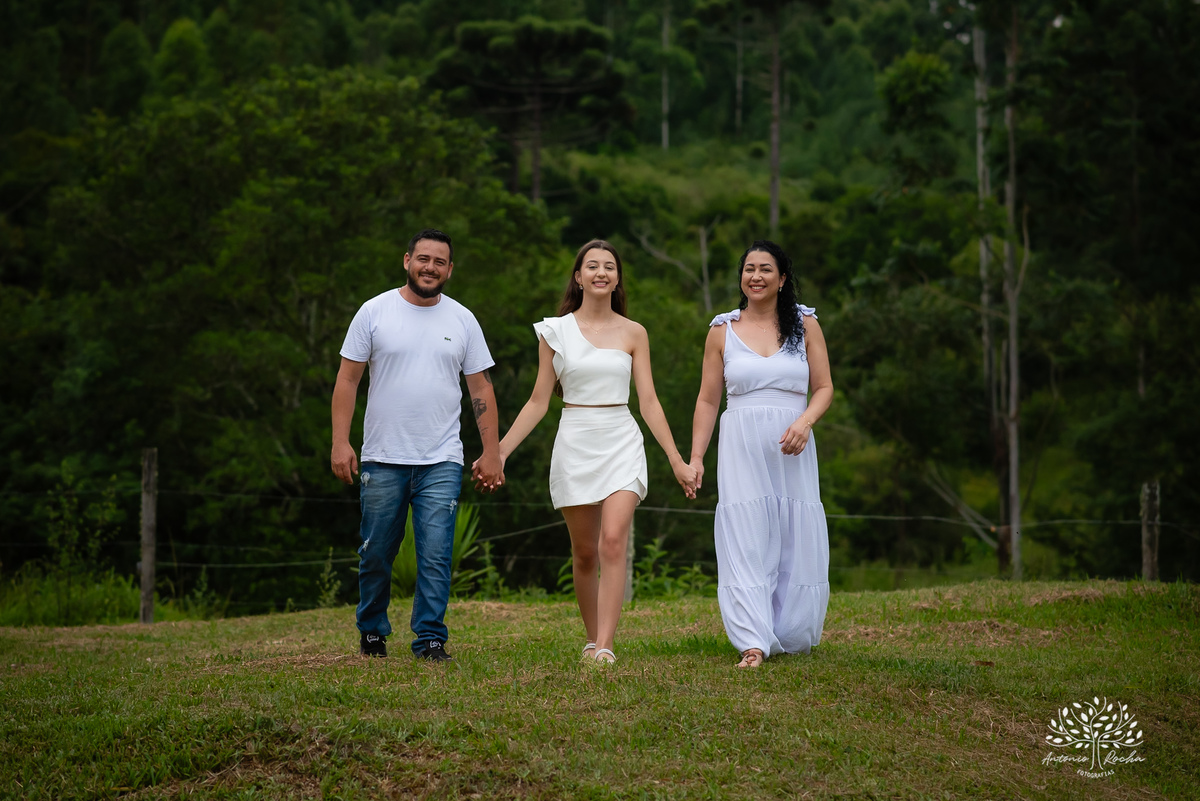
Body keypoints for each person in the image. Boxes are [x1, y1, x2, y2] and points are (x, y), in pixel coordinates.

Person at [480, 240, 696, 664]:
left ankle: (605, 646)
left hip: (621, 439)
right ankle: (592, 637)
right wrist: (499, 452)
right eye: (592, 266)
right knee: (584, 553)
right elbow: (538, 401)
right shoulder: (554, 331)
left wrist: (676, 459)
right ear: (578, 277)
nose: (601, 272)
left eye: (609, 266)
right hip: (575, 440)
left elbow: (649, 401)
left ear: (617, 279)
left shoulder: (634, 333)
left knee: (612, 541)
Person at [331, 228, 504, 661]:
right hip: (382, 456)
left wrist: (492, 452)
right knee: (376, 552)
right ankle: (372, 631)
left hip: (441, 458)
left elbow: (481, 388)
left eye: (439, 262)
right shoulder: (374, 312)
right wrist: (340, 442)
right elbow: (348, 379)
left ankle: (429, 638)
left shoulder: (462, 319)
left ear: (450, 269)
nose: (430, 267)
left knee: (436, 555)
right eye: (423, 258)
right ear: (407, 260)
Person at [688, 240, 833, 668]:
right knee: (747, 535)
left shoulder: (806, 325)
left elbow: (824, 387)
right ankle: (752, 640)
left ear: (782, 278)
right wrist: (696, 458)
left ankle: (789, 630)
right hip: (741, 446)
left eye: (765, 269)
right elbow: (707, 401)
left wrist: (805, 422)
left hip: (793, 446)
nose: (756, 276)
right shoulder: (721, 331)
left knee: (792, 534)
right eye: (749, 269)